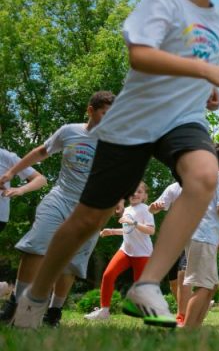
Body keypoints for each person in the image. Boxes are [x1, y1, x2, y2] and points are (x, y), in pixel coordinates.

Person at [11, 0, 219, 329]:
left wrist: (207, 88)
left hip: (182, 119)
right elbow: (141, 56)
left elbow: (195, 71)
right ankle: (35, 297)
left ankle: (147, 284)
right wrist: (205, 72)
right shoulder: (163, 2)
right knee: (88, 220)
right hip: (135, 119)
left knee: (205, 176)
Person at [0, 91, 113, 327]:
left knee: (71, 261)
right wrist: (11, 172)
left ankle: (53, 313)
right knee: (36, 245)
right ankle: (16, 305)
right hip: (60, 198)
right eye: (105, 113)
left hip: (91, 207)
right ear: (90, 110)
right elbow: (42, 152)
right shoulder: (69, 131)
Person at [183, 143, 219, 328]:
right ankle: (187, 331)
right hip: (203, 236)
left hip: (199, 235)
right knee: (204, 285)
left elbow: (215, 215)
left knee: (212, 285)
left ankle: (195, 328)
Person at [85, 182, 155, 321]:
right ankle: (104, 311)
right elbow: (128, 230)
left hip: (142, 254)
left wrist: (133, 222)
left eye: (139, 192)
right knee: (108, 275)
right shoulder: (127, 210)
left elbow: (151, 230)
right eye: (133, 191)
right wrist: (111, 231)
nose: (135, 194)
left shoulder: (146, 210)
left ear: (144, 196)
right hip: (126, 251)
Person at [147, 182, 189, 324]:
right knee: (173, 283)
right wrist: (153, 208)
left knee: (182, 275)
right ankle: (189, 308)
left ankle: (181, 315)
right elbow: (153, 209)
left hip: (191, 237)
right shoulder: (173, 188)